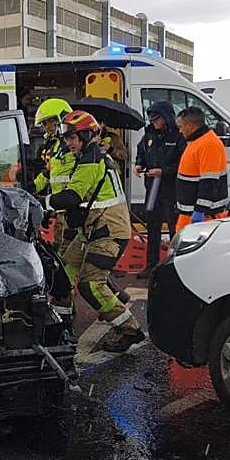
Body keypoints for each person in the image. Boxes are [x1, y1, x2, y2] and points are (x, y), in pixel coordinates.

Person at [48, 110, 145, 354]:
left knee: (91, 285)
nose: (68, 143)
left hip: (108, 232)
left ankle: (130, 330)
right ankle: (62, 328)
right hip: (92, 230)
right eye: (67, 138)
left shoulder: (91, 160)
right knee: (62, 277)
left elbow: (72, 196)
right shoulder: (87, 157)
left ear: (86, 135)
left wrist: (42, 203)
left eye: (72, 137)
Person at [133, 100, 183, 277]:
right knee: (152, 227)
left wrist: (163, 172)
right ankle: (151, 265)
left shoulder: (178, 136)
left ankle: (175, 267)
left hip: (171, 189)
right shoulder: (149, 134)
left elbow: (183, 164)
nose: (153, 122)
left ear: (166, 118)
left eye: (156, 119)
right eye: (151, 119)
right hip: (152, 189)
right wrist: (139, 164)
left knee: (173, 228)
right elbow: (141, 151)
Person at [175, 107, 230, 231]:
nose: (180, 131)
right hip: (191, 214)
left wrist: (200, 210)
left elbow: (209, 182)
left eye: (181, 127)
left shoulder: (208, 144)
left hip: (205, 216)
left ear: (190, 126)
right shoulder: (197, 141)